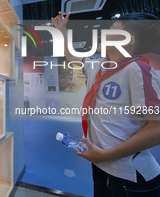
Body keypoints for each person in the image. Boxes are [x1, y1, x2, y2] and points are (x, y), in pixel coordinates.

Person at [52, 12, 160, 196]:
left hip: (130, 175)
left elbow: (157, 128)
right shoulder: (99, 65)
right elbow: (71, 57)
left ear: (127, 40)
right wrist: (61, 30)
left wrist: (106, 155)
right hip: (103, 166)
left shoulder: (137, 70)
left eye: (111, 29)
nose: (104, 32)